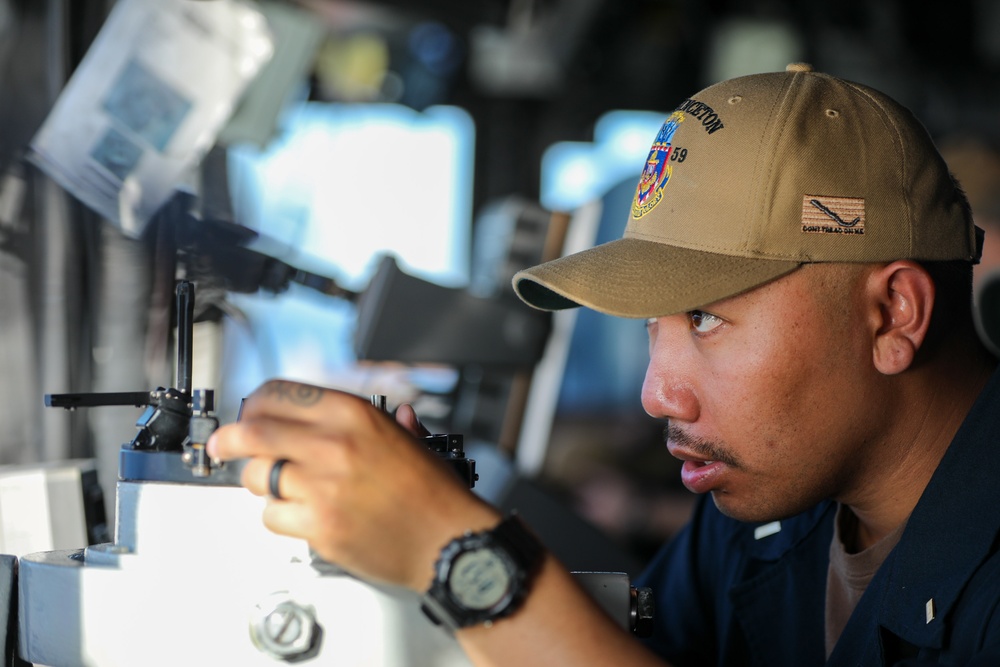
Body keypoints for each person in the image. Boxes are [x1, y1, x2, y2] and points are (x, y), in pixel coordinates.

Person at [207, 63, 1000, 666]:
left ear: (893, 313)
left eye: (705, 317)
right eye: (654, 328)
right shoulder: (771, 525)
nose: (659, 395)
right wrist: (421, 522)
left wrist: (464, 561)